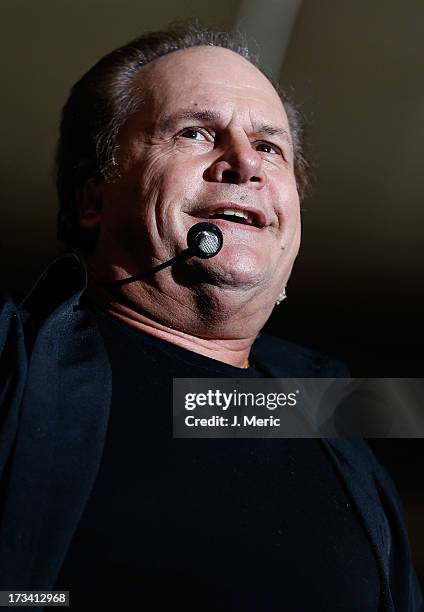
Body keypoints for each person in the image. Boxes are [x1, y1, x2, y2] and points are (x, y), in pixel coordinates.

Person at [0, 23, 422, 611]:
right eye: (196, 133)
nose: (245, 165)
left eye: (270, 147)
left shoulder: (314, 404)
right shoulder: (14, 368)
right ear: (93, 197)